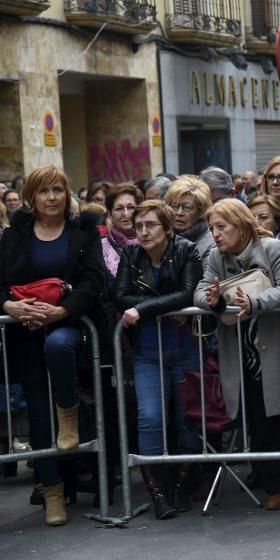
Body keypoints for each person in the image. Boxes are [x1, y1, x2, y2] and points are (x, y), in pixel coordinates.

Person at [196, 199, 280, 511]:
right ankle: (274, 485)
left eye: (221, 227)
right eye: (213, 227)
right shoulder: (215, 256)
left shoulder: (272, 248)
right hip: (244, 354)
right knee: (259, 420)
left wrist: (255, 302)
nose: (215, 234)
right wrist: (211, 301)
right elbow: (200, 291)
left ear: (241, 225)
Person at [0, 165, 107, 526]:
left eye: (58, 190)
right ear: (31, 198)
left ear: (67, 194)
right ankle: (53, 492)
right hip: (24, 332)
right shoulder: (14, 235)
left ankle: (69, 410)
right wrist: (9, 306)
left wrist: (61, 311)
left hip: (71, 325)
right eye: (43, 191)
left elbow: (95, 281)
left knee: (58, 346)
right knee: (38, 415)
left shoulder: (85, 231)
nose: (51, 198)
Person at [113, 200, 202, 519]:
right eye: (139, 226)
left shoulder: (186, 250)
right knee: (150, 417)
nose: (143, 232)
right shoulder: (130, 253)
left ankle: (182, 487)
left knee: (188, 420)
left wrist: (145, 308)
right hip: (147, 353)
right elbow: (120, 296)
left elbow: (188, 293)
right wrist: (163, 306)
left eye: (151, 225)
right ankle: (159, 493)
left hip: (186, 350)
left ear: (167, 228)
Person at [163, 175, 215, 265]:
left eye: (187, 207)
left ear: (201, 211)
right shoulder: (165, 238)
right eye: (175, 206)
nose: (179, 213)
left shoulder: (211, 245)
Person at [101, 183, 142, 280]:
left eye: (131, 207)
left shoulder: (152, 242)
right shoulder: (100, 248)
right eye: (119, 209)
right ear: (110, 215)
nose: (126, 214)